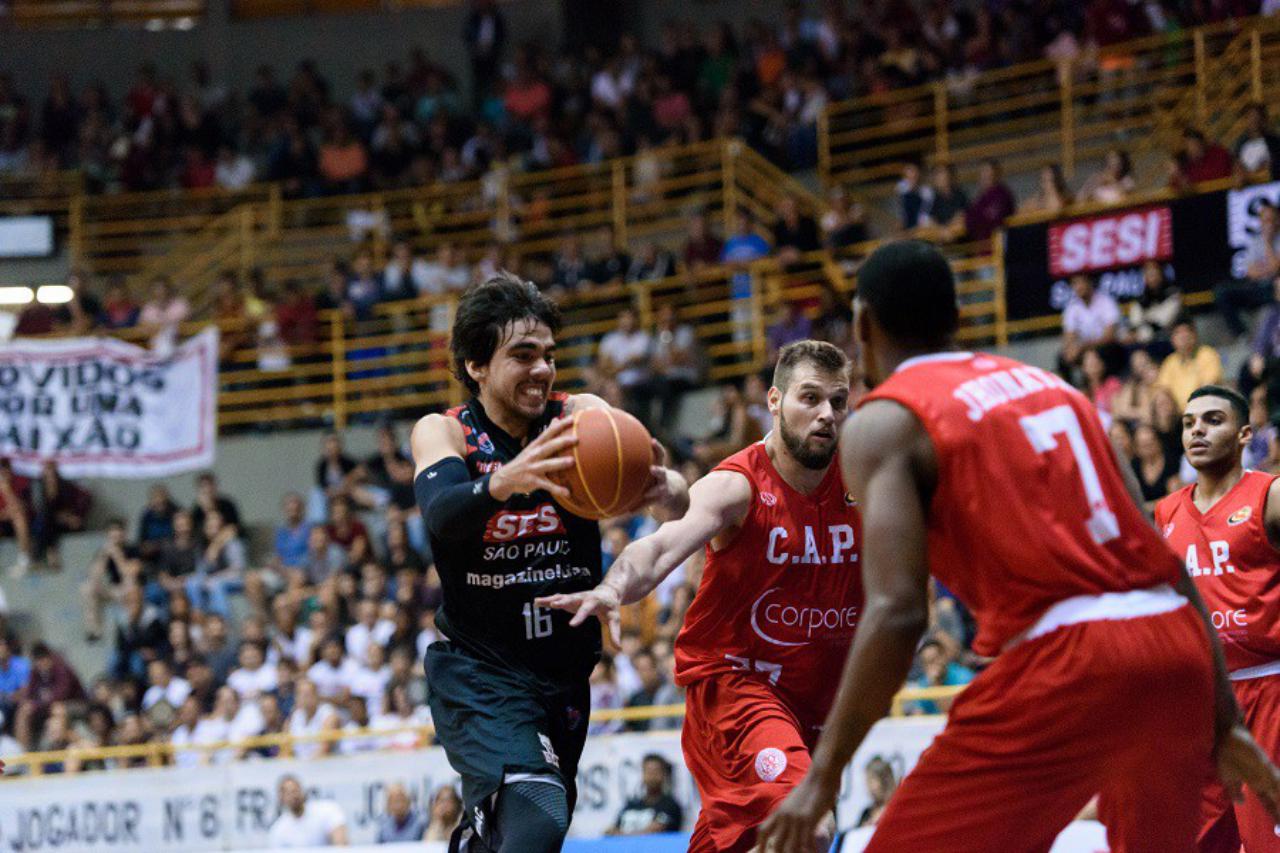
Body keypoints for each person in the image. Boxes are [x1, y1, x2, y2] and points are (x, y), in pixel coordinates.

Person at [754, 239, 1280, 852]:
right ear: (959, 318)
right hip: (1174, 650)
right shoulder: (1059, 390)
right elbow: (1164, 563)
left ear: (863, 324)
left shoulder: (884, 420)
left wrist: (821, 778)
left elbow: (898, 612)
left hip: (1067, 659)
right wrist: (1225, 723)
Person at [543, 340, 861, 853]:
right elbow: (661, 546)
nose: (826, 414)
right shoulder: (739, 485)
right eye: (810, 398)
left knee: (743, 841)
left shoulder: (864, 479)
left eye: (838, 401)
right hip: (739, 686)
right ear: (775, 402)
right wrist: (612, 587)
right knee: (812, 826)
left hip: (819, 698)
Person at [410, 273, 689, 852]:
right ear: (475, 366)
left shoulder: (581, 417)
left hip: (563, 675)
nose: (541, 369)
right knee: (540, 815)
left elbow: (678, 499)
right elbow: (440, 514)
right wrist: (501, 484)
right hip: (480, 672)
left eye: (548, 355)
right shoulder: (445, 433)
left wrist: (664, 487)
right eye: (522, 355)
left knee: (524, 829)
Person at [1157, 385, 1280, 852]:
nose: (1197, 431)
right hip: (1204, 700)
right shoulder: (1166, 510)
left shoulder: (1270, 496)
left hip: (1269, 689)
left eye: (1212, 420)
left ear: (1245, 433)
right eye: (1189, 424)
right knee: (1198, 841)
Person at [608, 753, 684, 836]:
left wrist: (621, 834)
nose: (651, 776)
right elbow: (613, 830)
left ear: (664, 775)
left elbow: (653, 831)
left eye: (655, 772)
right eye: (648, 771)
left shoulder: (670, 806)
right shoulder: (631, 805)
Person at [268, 774, 349, 848]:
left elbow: (341, 843)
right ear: (281, 798)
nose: (293, 796)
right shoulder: (278, 830)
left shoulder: (327, 809)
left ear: (302, 791)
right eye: (288, 793)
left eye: (295, 791)